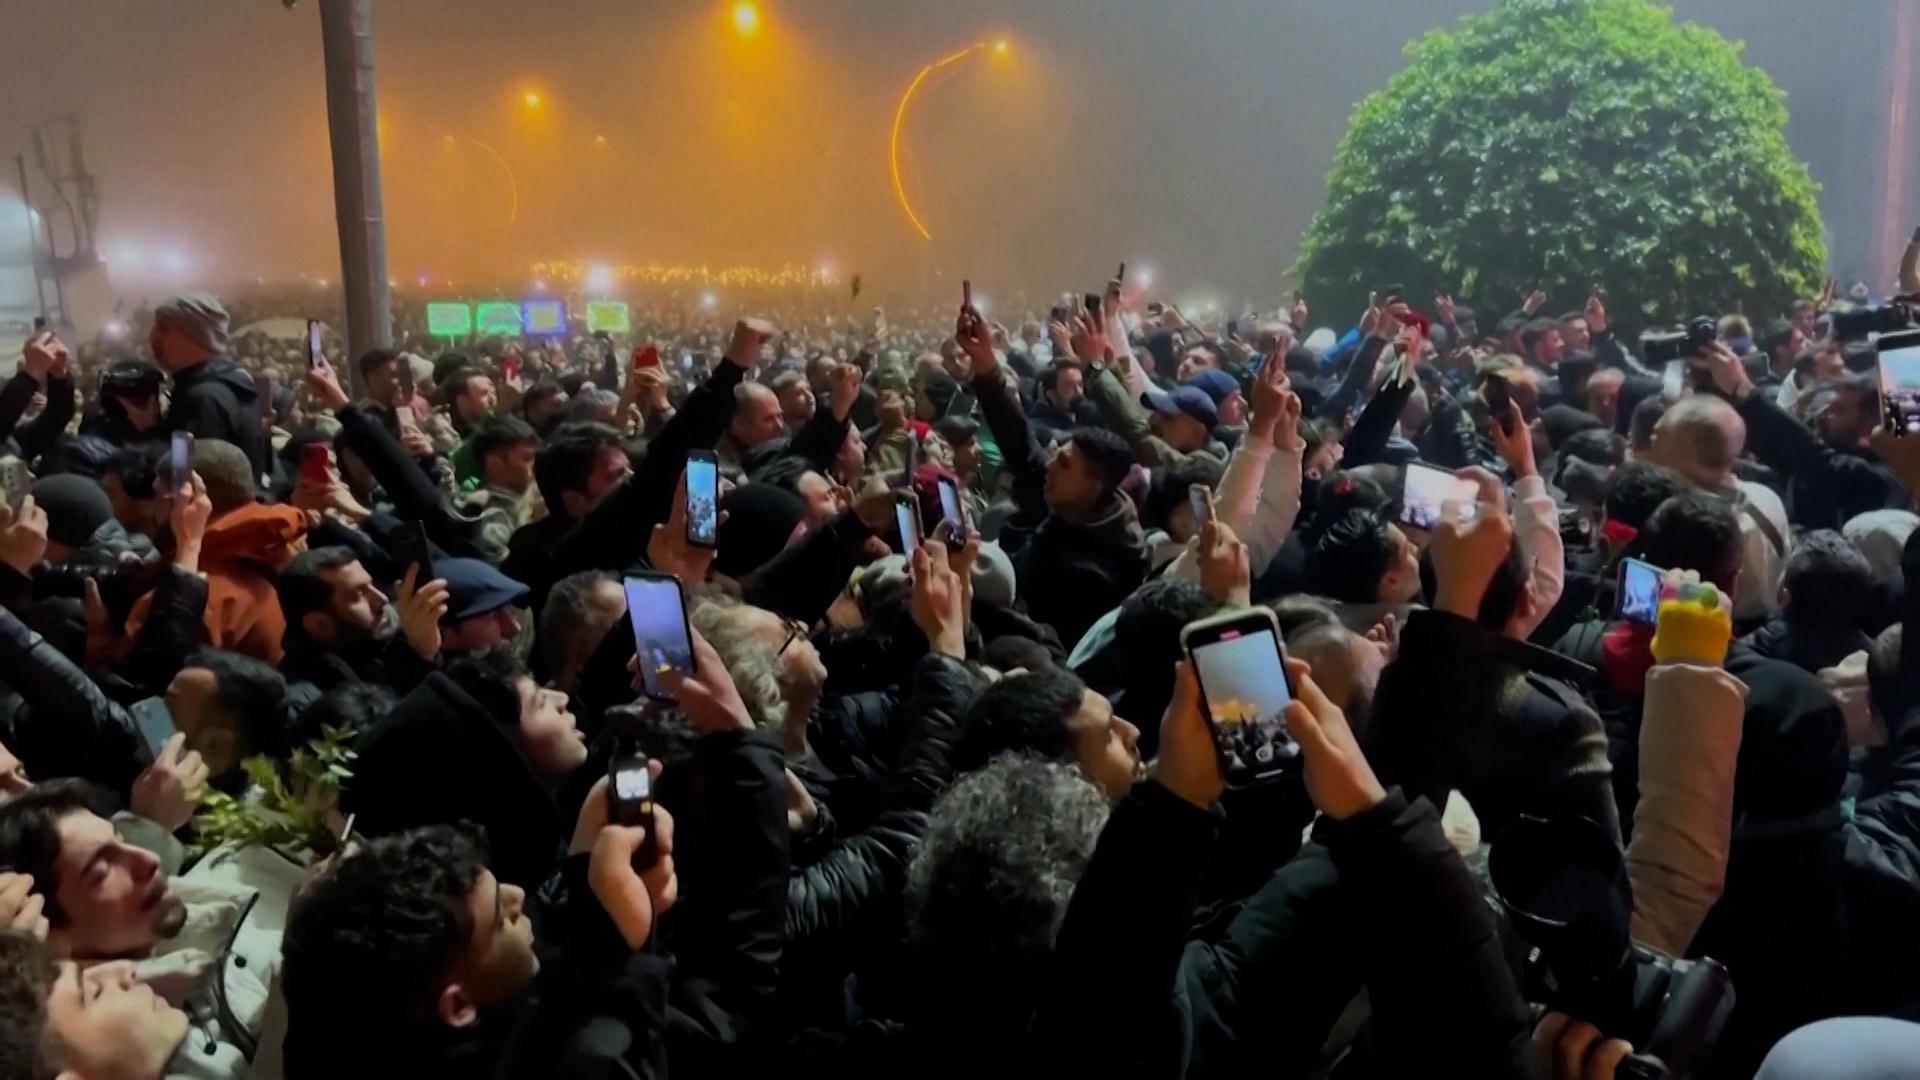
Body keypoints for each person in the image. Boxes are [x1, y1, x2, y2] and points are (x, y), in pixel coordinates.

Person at [1645, 393, 1791, 624]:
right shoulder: (1766, 497)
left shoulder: (1691, 523)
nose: (1649, 447)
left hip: (1712, 635)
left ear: (1684, 450)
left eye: (1657, 437)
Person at [275, 546, 447, 715]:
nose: (382, 599)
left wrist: (424, 650)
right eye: (358, 595)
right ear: (320, 625)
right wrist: (420, 658)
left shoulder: (379, 641)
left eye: (372, 585)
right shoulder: (307, 704)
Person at [148, 294, 270, 482]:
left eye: (164, 328)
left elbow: (180, 476)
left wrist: (145, 431)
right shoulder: (230, 380)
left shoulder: (203, 400)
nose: (153, 336)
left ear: (193, 335)